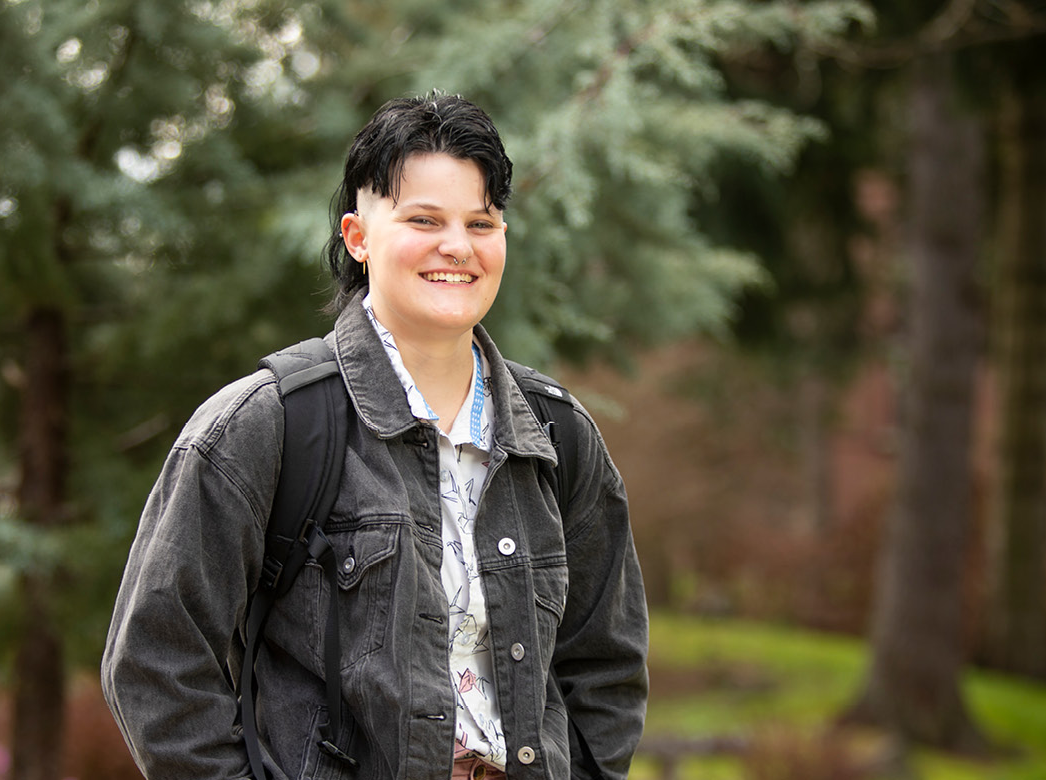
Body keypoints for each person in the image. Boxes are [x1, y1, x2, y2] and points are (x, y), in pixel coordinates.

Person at [101, 92, 648, 780]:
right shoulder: (267, 425)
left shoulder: (556, 434)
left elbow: (607, 663)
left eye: (481, 222)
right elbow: (156, 662)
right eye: (424, 219)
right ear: (358, 237)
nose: (458, 247)